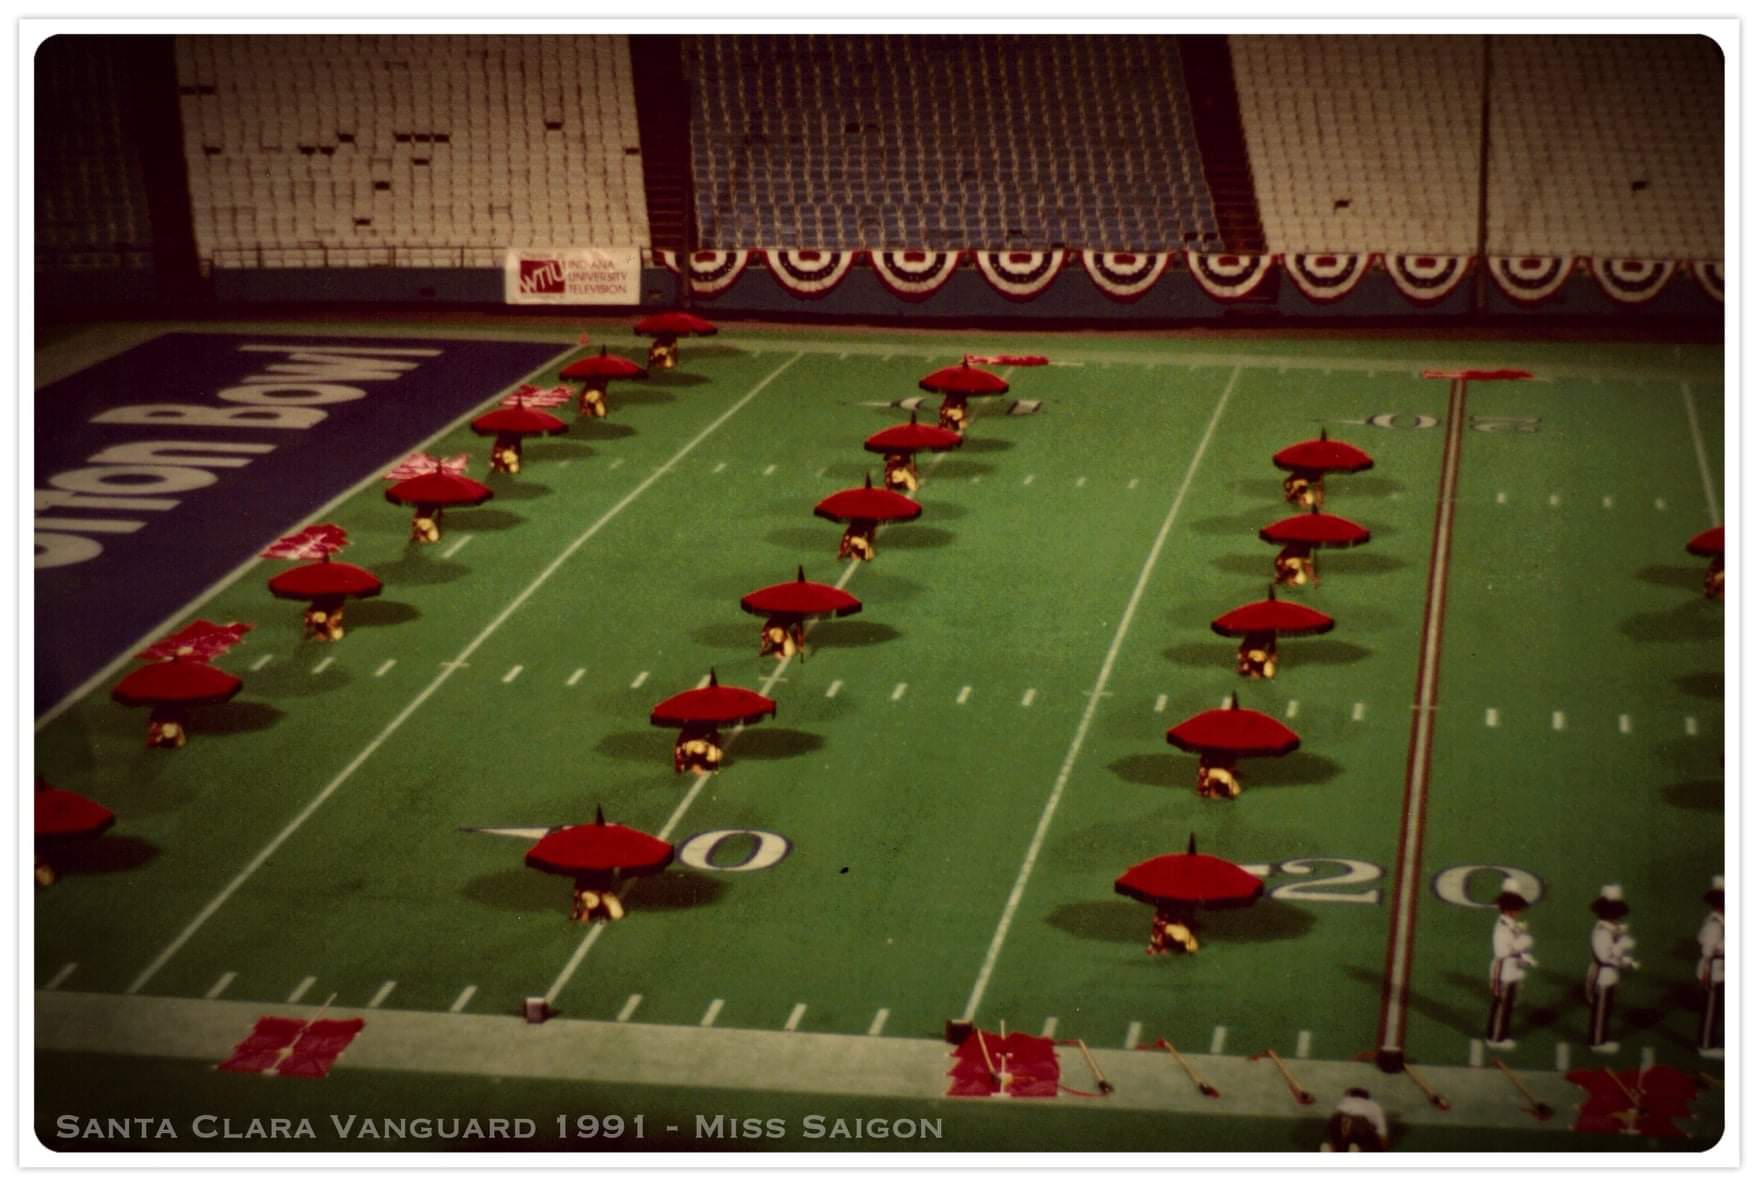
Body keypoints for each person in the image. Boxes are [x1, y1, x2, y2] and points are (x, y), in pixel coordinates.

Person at [1585, 885, 1639, 1053]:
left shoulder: (1611, 929)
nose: (1617, 918)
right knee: (1601, 1010)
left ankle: (1602, 1039)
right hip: (1603, 975)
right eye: (1614, 914)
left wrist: (1625, 960)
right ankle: (1597, 1042)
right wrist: (1622, 954)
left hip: (1610, 974)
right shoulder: (1602, 931)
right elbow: (1605, 957)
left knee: (1606, 1009)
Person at [1488, 878, 1536, 1049]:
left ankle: (1501, 1035)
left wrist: (1523, 957)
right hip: (1503, 970)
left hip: (1511, 969)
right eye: (1516, 908)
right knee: (1502, 1004)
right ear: (1509, 909)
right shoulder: (1502, 926)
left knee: (1507, 1004)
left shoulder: (1511, 924)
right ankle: (1495, 1038)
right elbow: (1502, 951)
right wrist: (1521, 944)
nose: (1519, 911)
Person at [1697, 876, 1725, 1057]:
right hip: (1714, 969)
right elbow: (1708, 950)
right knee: (1711, 1008)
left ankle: (1712, 1041)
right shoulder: (1715, 923)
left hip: (1721, 968)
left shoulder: (1721, 919)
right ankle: (1705, 1046)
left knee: (1717, 1008)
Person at [1321, 1088, 1389, 1152]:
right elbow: (1382, 1138)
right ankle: (1359, 1148)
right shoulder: (1374, 1105)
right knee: (1370, 1142)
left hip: (1338, 1118)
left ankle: (1330, 1147)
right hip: (1359, 1121)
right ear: (1367, 1098)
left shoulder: (1345, 1101)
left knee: (1336, 1140)